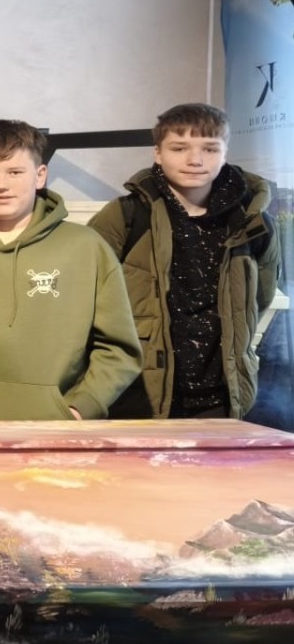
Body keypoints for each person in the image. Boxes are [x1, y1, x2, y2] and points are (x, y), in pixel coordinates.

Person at [0, 120, 141, 420]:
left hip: (55, 428)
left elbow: (119, 349)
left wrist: (81, 407)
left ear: (40, 175)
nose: (1, 185)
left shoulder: (87, 247)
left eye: (15, 172)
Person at [88, 103, 280, 419]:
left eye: (210, 149)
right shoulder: (125, 215)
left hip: (220, 396)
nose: (195, 160)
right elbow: (87, 298)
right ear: (158, 153)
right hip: (139, 393)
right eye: (179, 148)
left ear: (225, 152)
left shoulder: (253, 222)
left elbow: (259, 297)